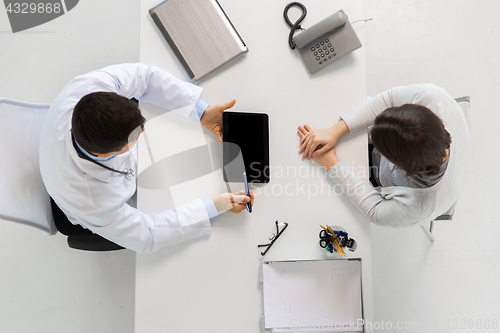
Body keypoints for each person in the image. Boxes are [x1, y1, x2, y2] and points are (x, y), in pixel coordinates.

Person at [39, 63, 254, 252]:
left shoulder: (89, 87)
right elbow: (149, 234)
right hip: (88, 205)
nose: (144, 129)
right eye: (134, 137)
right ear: (106, 154)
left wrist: (201, 112)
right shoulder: (94, 201)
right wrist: (213, 207)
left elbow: (145, 78)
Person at [297, 84, 470, 227]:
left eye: (381, 147)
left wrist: (332, 164)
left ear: (399, 166)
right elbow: (389, 99)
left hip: (382, 179)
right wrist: (336, 130)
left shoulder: (420, 204)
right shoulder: (431, 98)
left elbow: (375, 211)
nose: (371, 137)